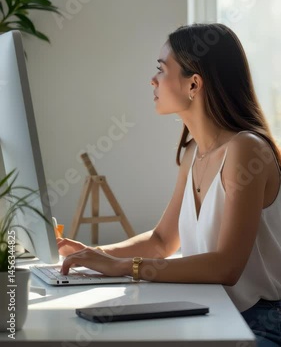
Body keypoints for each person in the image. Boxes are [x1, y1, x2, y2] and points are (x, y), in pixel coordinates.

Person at [58, 23, 281, 346]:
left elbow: (226, 267)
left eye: (162, 70)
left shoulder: (245, 150)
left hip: (259, 325)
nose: (153, 80)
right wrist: (96, 255)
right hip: (214, 312)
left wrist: (121, 266)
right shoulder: (194, 152)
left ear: (194, 84)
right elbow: (163, 240)